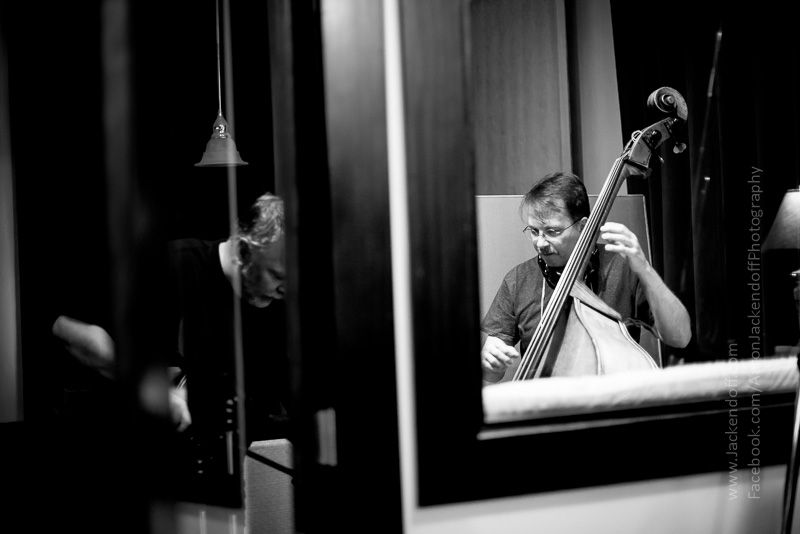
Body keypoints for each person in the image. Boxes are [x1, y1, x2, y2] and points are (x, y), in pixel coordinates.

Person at [51, 192, 289, 505]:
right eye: (277, 276)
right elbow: (66, 327)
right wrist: (149, 386)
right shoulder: (171, 265)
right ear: (243, 251)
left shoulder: (270, 306)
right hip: (128, 474)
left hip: (218, 485)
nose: (285, 290)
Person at [481, 172, 691, 383]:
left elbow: (680, 337)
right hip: (543, 400)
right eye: (534, 231)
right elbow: (492, 374)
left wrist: (645, 270)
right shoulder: (517, 279)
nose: (541, 243)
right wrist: (490, 360)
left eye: (552, 231)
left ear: (582, 227)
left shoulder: (622, 267)